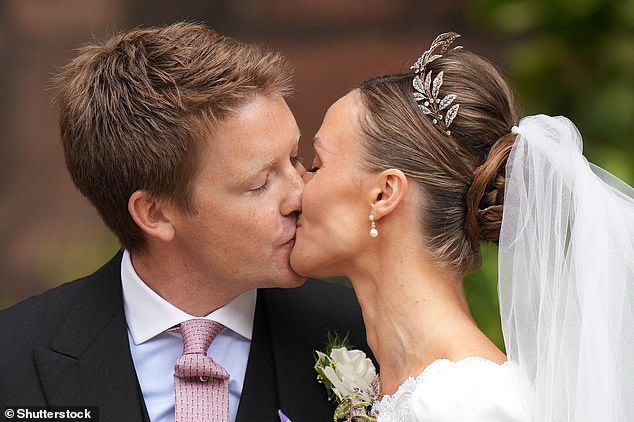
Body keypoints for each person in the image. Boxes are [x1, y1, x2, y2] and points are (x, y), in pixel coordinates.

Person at [0, 22, 369, 422]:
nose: (301, 194)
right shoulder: (13, 356)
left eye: (296, 159)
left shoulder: (361, 331)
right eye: (260, 183)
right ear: (155, 214)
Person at [291, 32, 634, 421]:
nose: (298, 185)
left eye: (317, 165)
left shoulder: (470, 402)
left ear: (384, 193)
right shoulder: (396, 388)